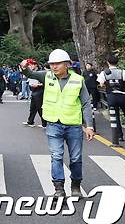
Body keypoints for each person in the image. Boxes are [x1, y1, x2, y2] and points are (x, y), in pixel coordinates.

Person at [21, 49, 94, 198]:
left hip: (73, 125)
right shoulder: (47, 76)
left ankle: (75, 185)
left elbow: (86, 103)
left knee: (75, 158)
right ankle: (59, 188)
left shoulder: (78, 80)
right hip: (53, 124)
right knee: (56, 156)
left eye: (58, 64)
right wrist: (24, 68)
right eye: (51, 64)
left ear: (67, 64)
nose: (54, 67)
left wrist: (89, 126)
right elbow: (30, 74)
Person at [97, 54, 125, 146]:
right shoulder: (123, 72)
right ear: (117, 62)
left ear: (108, 63)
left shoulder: (104, 73)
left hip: (111, 96)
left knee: (114, 115)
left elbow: (101, 84)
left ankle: (119, 135)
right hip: (123, 96)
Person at [22, 60, 47, 128]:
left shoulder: (41, 72)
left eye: (32, 64)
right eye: (30, 65)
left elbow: (46, 82)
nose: (31, 66)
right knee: (32, 108)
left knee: (40, 108)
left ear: (36, 65)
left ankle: (44, 123)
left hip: (39, 91)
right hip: (33, 90)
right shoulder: (31, 72)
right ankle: (30, 121)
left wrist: (39, 85)